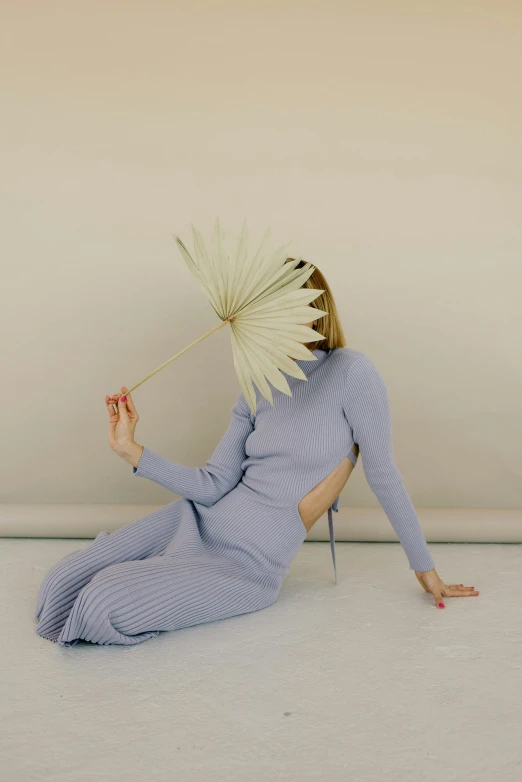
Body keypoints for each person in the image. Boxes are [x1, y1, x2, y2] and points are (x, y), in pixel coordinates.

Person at [35, 259, 478, 647]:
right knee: (60, 582)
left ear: (312, 314)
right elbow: (212, 484)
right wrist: (131, 450)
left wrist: (425, 568)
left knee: (102, 600)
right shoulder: (258, 382)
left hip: (248, 561)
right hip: (195, 517)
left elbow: (384, 475)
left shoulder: (351, 371)